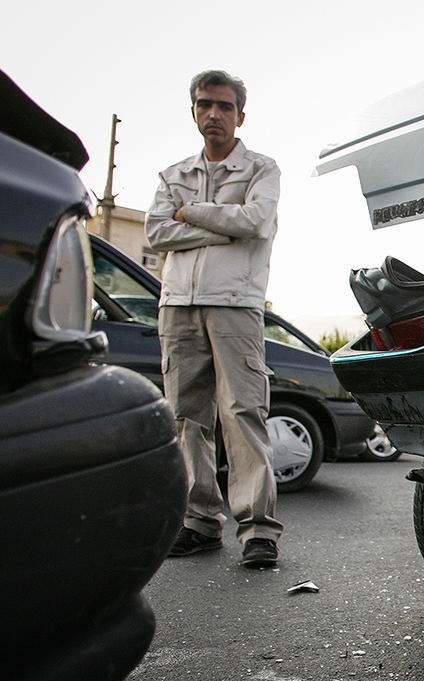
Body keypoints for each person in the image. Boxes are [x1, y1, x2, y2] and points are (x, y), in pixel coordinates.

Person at [146, 69, 283, 568]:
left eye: (224, 106)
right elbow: (156, 233)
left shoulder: (261, 169)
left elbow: (255, 221)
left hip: (235, 303)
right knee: (185, 416)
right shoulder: (172, 175)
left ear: (240, 115)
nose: (214, 114)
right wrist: (218, 225)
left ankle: (258, 530)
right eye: (205, 105)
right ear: (194, 112)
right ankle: (198, 521)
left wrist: (190, 214)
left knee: (242, 412)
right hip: (178, 303)